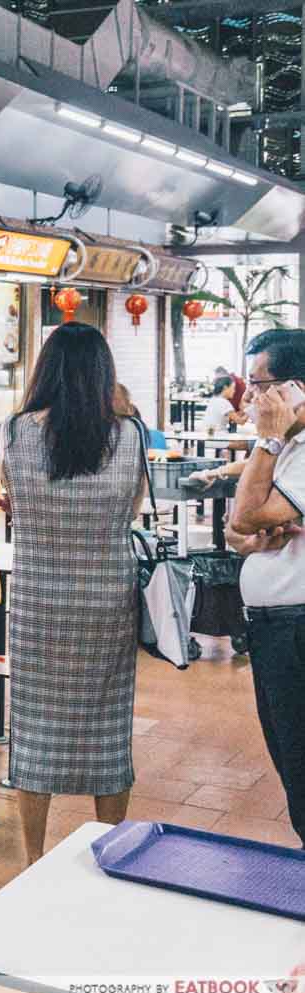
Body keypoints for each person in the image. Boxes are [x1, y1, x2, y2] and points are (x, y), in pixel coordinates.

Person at [2, 323, 146, 862]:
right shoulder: (129, 436)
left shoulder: (16, 433)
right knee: (108, 726)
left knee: (35, 724)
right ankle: (109, 848)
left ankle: (31, 856)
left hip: (39, 601)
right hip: (108, 601)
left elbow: (15, 501)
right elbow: (131, 512)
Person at [226, 328, 305, 846]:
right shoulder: (291, 447)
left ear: (295, 388)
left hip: (295, 626)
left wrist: (267, 438)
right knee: (289, 755)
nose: (250, 399)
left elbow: (249, 512)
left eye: (260, 386)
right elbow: (239, 528)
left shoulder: (292, 447)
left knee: (299, 760)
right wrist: (244, 533)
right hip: (276, 626)